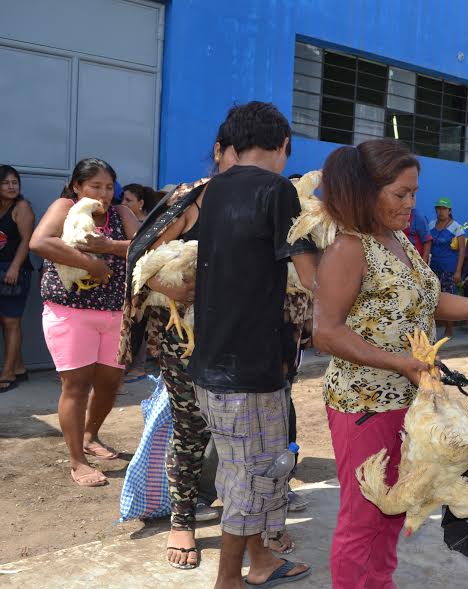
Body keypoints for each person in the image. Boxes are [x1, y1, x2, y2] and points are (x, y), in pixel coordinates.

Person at [311, 138, 468, 589]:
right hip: (364, 403)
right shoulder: (349, 248)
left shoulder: (398, 239)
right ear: (367, 191)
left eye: (414, 193)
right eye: (401, 193)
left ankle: (380, 584)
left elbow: (429, 299)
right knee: (363, 516)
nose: (412, 203)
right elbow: (325, 330)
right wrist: (398, 362)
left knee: (397, 504)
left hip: (408, 401)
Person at [188, 101, 315, 588]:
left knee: (248, 470)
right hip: (249, 368)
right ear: (284, 146)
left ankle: (260, 561)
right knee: (251, 477)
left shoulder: (213, 190)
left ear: (233, 145)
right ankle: (228, 580)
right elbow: (309, 274)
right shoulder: (278, 190)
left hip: (211, 362)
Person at [118, 121, 248, 569]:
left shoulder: (264, 202)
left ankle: (253, 525)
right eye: (238, 155)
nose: (245, 167)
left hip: (243, 336)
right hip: (186, 338)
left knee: (243, 434)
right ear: (219, 152)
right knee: (192, 429)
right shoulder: (189, 202)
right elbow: (139, 256)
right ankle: (183, 520)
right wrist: (171, 289)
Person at [30, 158, 139, 487]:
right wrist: (90, 264)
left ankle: (91, 436)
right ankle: (77, 460)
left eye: (109, 187)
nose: (104, 194)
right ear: (77, 186)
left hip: (116, 313)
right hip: (70, 311)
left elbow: (146, 246)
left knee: (109, 383)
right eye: (95, 186)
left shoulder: (121, 214)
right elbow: (40, 242)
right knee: (75, 386)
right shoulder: (66, 206)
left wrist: (109, 246)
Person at [0, 165, 35, 391]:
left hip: (15, 271)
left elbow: (26, 240)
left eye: (15, 182)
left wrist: (14, 267)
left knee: (11, 322)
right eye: (5, 182)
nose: (11, 186)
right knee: (4, 321)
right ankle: (20, 368)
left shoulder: (21, 207)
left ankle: (8, 373)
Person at [429, 197, 466, 338]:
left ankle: (449, 329)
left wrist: (458, 271)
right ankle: (433, 327)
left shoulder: (457, 227)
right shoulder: (432, 224)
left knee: (449, 299)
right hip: (433, 267)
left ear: (449, 211)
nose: (440, 211)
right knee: (433, 298)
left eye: (444, 209)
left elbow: (462, 250)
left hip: (449, 269)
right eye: (438, 208)